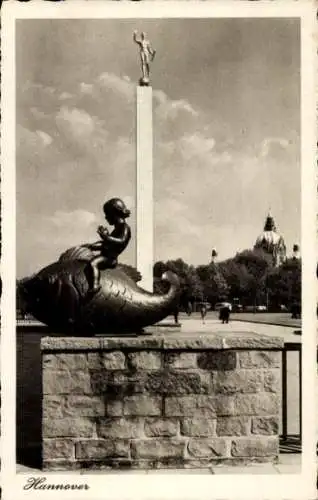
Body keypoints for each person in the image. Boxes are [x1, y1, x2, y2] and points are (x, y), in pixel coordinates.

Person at [86, 198, 131, 293]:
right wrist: (92, 246)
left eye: (107, 214)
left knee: (93, 263)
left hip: (110, 258)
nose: (106, 217)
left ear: (114, 214)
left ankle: (95, 286)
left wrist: (106, 237)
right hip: (106, 256)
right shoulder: (116, 230)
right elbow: (106, 245)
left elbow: (122, 241)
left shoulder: (125, 227)